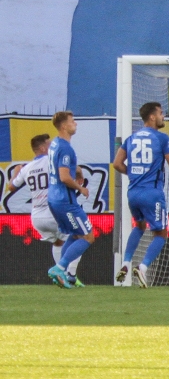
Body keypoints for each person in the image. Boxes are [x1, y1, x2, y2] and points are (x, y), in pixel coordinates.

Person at [113, 102, 169, 288]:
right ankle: (142, 267)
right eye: (160, 113)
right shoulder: (162, 138)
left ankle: (126, 262)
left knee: (140, 225)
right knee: (160, 233)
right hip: (152, 193)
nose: (163, 116)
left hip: (133, 192)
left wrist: (135, 174)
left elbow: (117, 164)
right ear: (152, 117)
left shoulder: (131, 138)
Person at [7, 133, 82, 282]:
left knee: (58, 242)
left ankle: (61, 275)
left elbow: (11, 187)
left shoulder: (27, 168)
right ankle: (71, 274)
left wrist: (15, 172)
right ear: (42, 148)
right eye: (49, 145)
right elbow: (74, 168)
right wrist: (79, 174)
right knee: (81, 236)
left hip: (37, 217)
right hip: (55, 212)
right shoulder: (52, 160)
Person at [46, 112, 94, 288]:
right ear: (64, 126)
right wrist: (80, 187)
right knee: (88, 236)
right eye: (72, 121)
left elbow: (63, 167)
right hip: (65, 200)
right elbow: (64, 176)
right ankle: (59, 268)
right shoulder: (66, 147)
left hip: (54, 198)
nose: (76, 124)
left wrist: (78, 169)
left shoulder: (55, 144)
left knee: (75, 234)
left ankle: (64, 274)